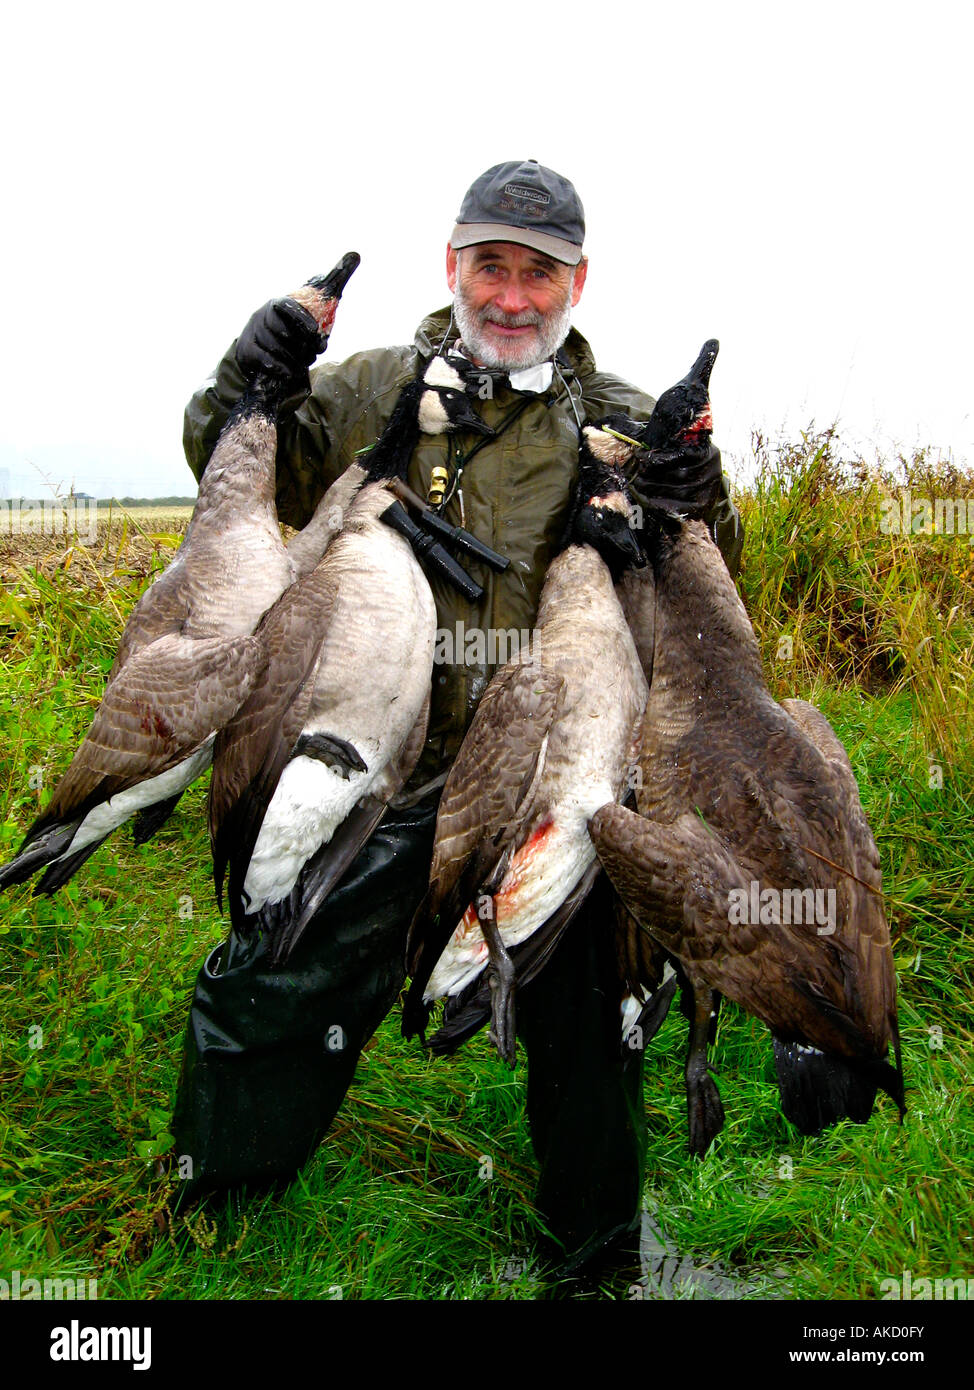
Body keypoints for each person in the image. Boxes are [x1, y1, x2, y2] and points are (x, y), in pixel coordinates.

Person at [172, 159, 744, 1277]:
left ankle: (593, 1265)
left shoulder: (622, 415)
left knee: (593, 1029)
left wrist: (692, 486)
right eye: (492, 266)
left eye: (540, 272)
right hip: (390, 767)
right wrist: (246, 379)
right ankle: (215, 1225)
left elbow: (712, 573)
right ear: (452, 265)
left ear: (578, 281)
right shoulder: (372, 389)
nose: (512, 296)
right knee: (277, 979)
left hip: (559, 782)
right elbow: (233, 472)